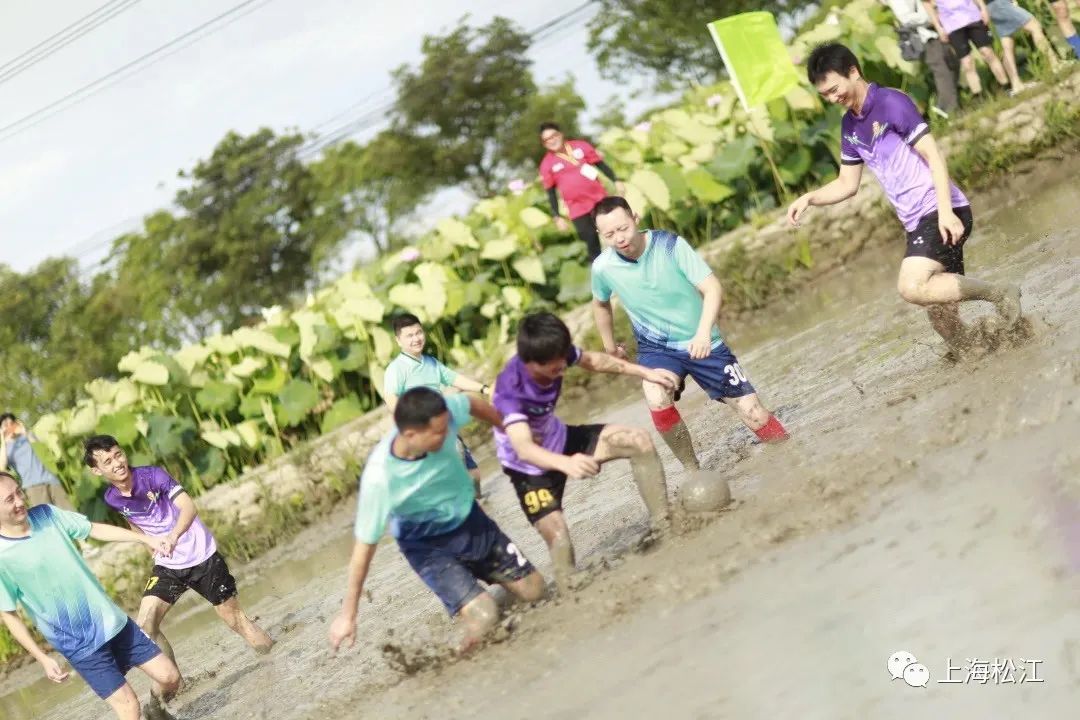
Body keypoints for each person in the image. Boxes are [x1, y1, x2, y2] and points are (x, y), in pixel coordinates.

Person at [788, 43, 1022, 353]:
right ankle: (990, 351)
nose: (832, 99)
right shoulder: (849, 126)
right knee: (944, 323)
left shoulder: (891, 103)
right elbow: (847, 183)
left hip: (940, 211)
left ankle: (1001, 293)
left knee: (911, 287)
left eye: (834, 89)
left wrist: (945, 212)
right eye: (825, 95)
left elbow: (935, 157)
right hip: (916, 223)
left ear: (853, 72)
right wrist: (810, 197)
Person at [328, 388, 546, 654]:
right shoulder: (380, 477)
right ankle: (456, 661)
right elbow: (363, 551)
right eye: (438, 433)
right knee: (486, 616)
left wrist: (508, 429)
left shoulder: (445, 412)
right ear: (410, 435)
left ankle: (498, 592)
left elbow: (472, 404)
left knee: (537, 592)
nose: (447, 436)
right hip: (429, 548)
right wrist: (348, 616)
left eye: (447, 428)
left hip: (472, 524)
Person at [590, 196, 789, 478]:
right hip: (656, 348)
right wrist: (610, 347)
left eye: (623, 228)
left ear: (635, 219)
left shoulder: (670, 245)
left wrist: (703, 332)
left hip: (703, 340)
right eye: (609, 234)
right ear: (600, 235)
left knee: (753, 412)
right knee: (655, 395)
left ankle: (789, 454)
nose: (619, 238)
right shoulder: (602, 267)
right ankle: (693, 471)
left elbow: (712, 288)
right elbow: (600, 304)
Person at [491, 312, 677, 591]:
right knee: (560, 540)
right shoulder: (510, 392)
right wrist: (566, 464)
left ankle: (667, 526)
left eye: (563, 361)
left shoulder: (555, 353)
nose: (562, 370)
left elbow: (594, 361)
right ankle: (571, 595)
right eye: (554, 369)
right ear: (531, 363)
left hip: (561, 438)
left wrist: (646, 372)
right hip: (530, 470)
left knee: (637, 440)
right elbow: (524, 448)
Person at [86, 435, 273, 703]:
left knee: (234, 620)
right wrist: (147, 546)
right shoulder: (112, 498)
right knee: (145, 627)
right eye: (108, 461)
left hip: (201, 556)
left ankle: (275, 655)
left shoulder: (152, 476)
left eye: (118, 454)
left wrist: (173, 536)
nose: (117, 463)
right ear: (97, 470)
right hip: (168, 565)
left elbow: (189, 506)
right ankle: (178, 684)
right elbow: (133, 521)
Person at [0, 471, 181, 720]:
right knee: (128, 707)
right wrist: (41, 657)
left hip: (112, 621)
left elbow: (92, 528)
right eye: (9, 499)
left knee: (171, 678)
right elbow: (8, 614)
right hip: (78, 643)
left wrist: (142, 538)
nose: (20, 501)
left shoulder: (47, 515)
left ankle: (156, 711)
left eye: (19, 492)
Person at [384, 313, 491, 500]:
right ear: (398, 340)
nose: (416, 338)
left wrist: (484, 388)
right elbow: (390, 398)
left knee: (474, 476)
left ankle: (478, 505)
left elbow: (455, 379)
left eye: (419, 333)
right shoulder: (396, 369)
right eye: (409, 335)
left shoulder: (431, 362)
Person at [0, 413, 97, 558]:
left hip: (49, 478)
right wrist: (3, 439)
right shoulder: (7, 448)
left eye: (11, 423)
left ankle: (84, 545)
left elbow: (40, 448)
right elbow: (2, 467)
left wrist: (25, 431)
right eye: (5, 425)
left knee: (68, 511)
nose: (9, 427)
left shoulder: (27, 437)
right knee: (47, 521)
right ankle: (66, 554)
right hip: (32, 486)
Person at [538, 122, 626, 262]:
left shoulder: (580, 146)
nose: (552, 140)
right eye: (547, 139)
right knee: (591, 242)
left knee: (613, 235)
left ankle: (627, 265)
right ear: (544, 144)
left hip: (599, 200)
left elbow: (601, 165)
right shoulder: (546, 164)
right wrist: (557, 217)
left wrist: (616, 180)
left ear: (560, 135)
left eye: (554, 136)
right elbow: (551, 193)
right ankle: (603, 278)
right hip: (577, 209)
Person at [882, 0, 960, 115]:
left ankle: (946, 106)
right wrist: (931, 18)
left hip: (939, 30)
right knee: (941, 70)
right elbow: (906, 18)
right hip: (924, 36)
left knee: (953, 63)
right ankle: (947, 109)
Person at [923, 0, 1015, 97]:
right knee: (967, 63)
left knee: (987, 52)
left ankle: (1006, 87)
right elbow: (927, 4)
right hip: (952, 25)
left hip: (973, 17)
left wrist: (983, 7)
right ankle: (979, 97)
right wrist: (938, 27)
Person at [987, 0, 1062, 89]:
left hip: (992, 6)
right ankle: (1055, 64)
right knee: (1034, 26)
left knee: (1007, 42)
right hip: (1000, 3)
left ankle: (1016, 84)